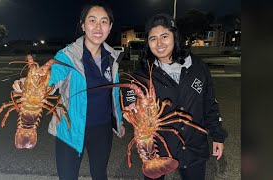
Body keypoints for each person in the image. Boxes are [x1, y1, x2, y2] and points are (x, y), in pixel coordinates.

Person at [13, 2, 125, 180]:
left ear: (110, 27)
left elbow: (113, 95)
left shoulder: (112, 57)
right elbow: (52, 76)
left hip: (102, 129)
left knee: (100, 174)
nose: (98, 27)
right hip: (70, 128)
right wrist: (29, 84)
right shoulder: (67, 55)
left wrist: (119, 121)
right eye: (92, 20)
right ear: (83, 25)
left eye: (104, 22)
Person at [123, 13, 227, 180]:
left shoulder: (198, 68)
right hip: (157, 150)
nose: (159, 43)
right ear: (147, 43)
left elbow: (210, 103)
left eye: (164, 36)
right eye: (153, 38)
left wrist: (217, 135)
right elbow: (129, 92)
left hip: (193, 147)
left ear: (175, 36)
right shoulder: (143, 74)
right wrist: (130, 104)